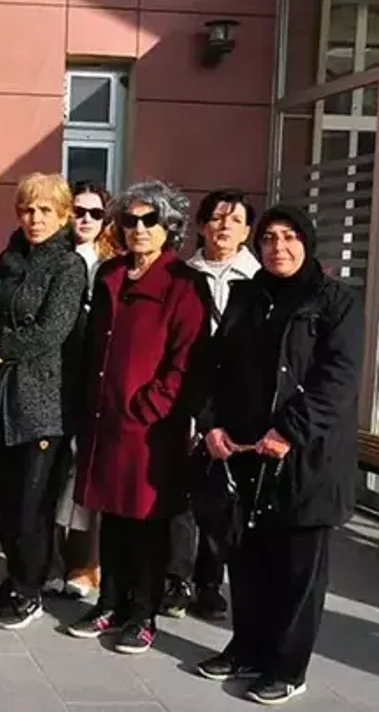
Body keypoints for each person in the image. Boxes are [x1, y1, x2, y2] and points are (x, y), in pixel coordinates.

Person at [191, 205, 360, 706]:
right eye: (268, 238)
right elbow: (214, 365)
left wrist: (289, 431)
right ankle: (247, 649)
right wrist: (211, 423)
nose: (278, 248)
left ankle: (287, 667)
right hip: (246, 453)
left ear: (306, 243)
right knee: (247, 562)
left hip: (307, 459)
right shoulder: (249, 296)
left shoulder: (335, 301)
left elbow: (338, 378)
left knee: (297, 571)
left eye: (289, 237)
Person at [66, 180, 206, 654]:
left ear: (169, 227)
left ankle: (142, 614)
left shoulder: (184, 284)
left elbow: (187, 360)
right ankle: (109, 603)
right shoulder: (110, 273)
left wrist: (152, 405)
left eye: (150, 220)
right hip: (105, 419)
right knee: (112, 516)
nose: (139, 229)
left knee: (147, 521)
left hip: (150, 428)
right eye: (130, 220)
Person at [0, 173, 87, 630]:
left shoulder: (69, 266)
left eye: (45, 211)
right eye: (27, 210)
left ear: (63, 215)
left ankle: (29, 589)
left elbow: (50, 332)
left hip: (43, 402)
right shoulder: (9, 258)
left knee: (32, 503)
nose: (35, 219)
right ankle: (16, 575)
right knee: (2, 497)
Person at [162, 188, 261, 621]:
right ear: (201, 225)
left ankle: (210, 582)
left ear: (247, 230)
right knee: (182, 493)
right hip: (186, 397)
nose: (224, 226)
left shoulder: (258, 280)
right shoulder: (182, 276)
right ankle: (177, 579)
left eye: (235, 220)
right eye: (217, 218)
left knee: (222, 497)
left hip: (235, 403)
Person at [52, 180, 113, 599]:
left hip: (97, 380)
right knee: (55, 474)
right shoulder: (54, 256)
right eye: (79, 211)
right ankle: (56, 560)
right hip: (56, 379)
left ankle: (88, 564)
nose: (86, 219)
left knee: (87, 473)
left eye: (95, 213)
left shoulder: (111, 264)